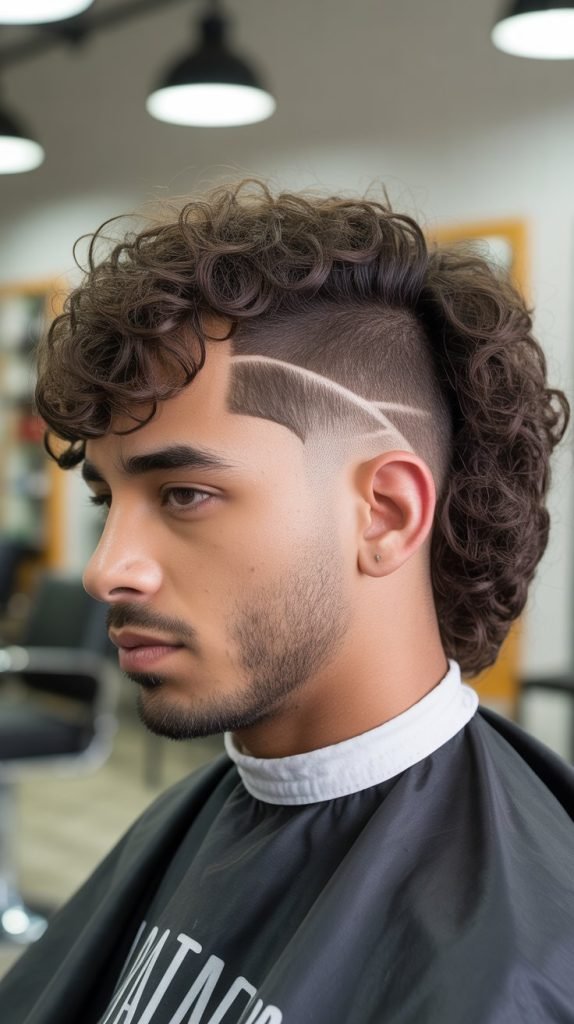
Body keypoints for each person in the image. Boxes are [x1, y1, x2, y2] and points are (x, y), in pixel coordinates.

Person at [0, 180, 572, 1024]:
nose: (106, 570)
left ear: (385, 515)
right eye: (106, 500)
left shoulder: (520, 968)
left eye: (185, 494)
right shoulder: (211, 809)